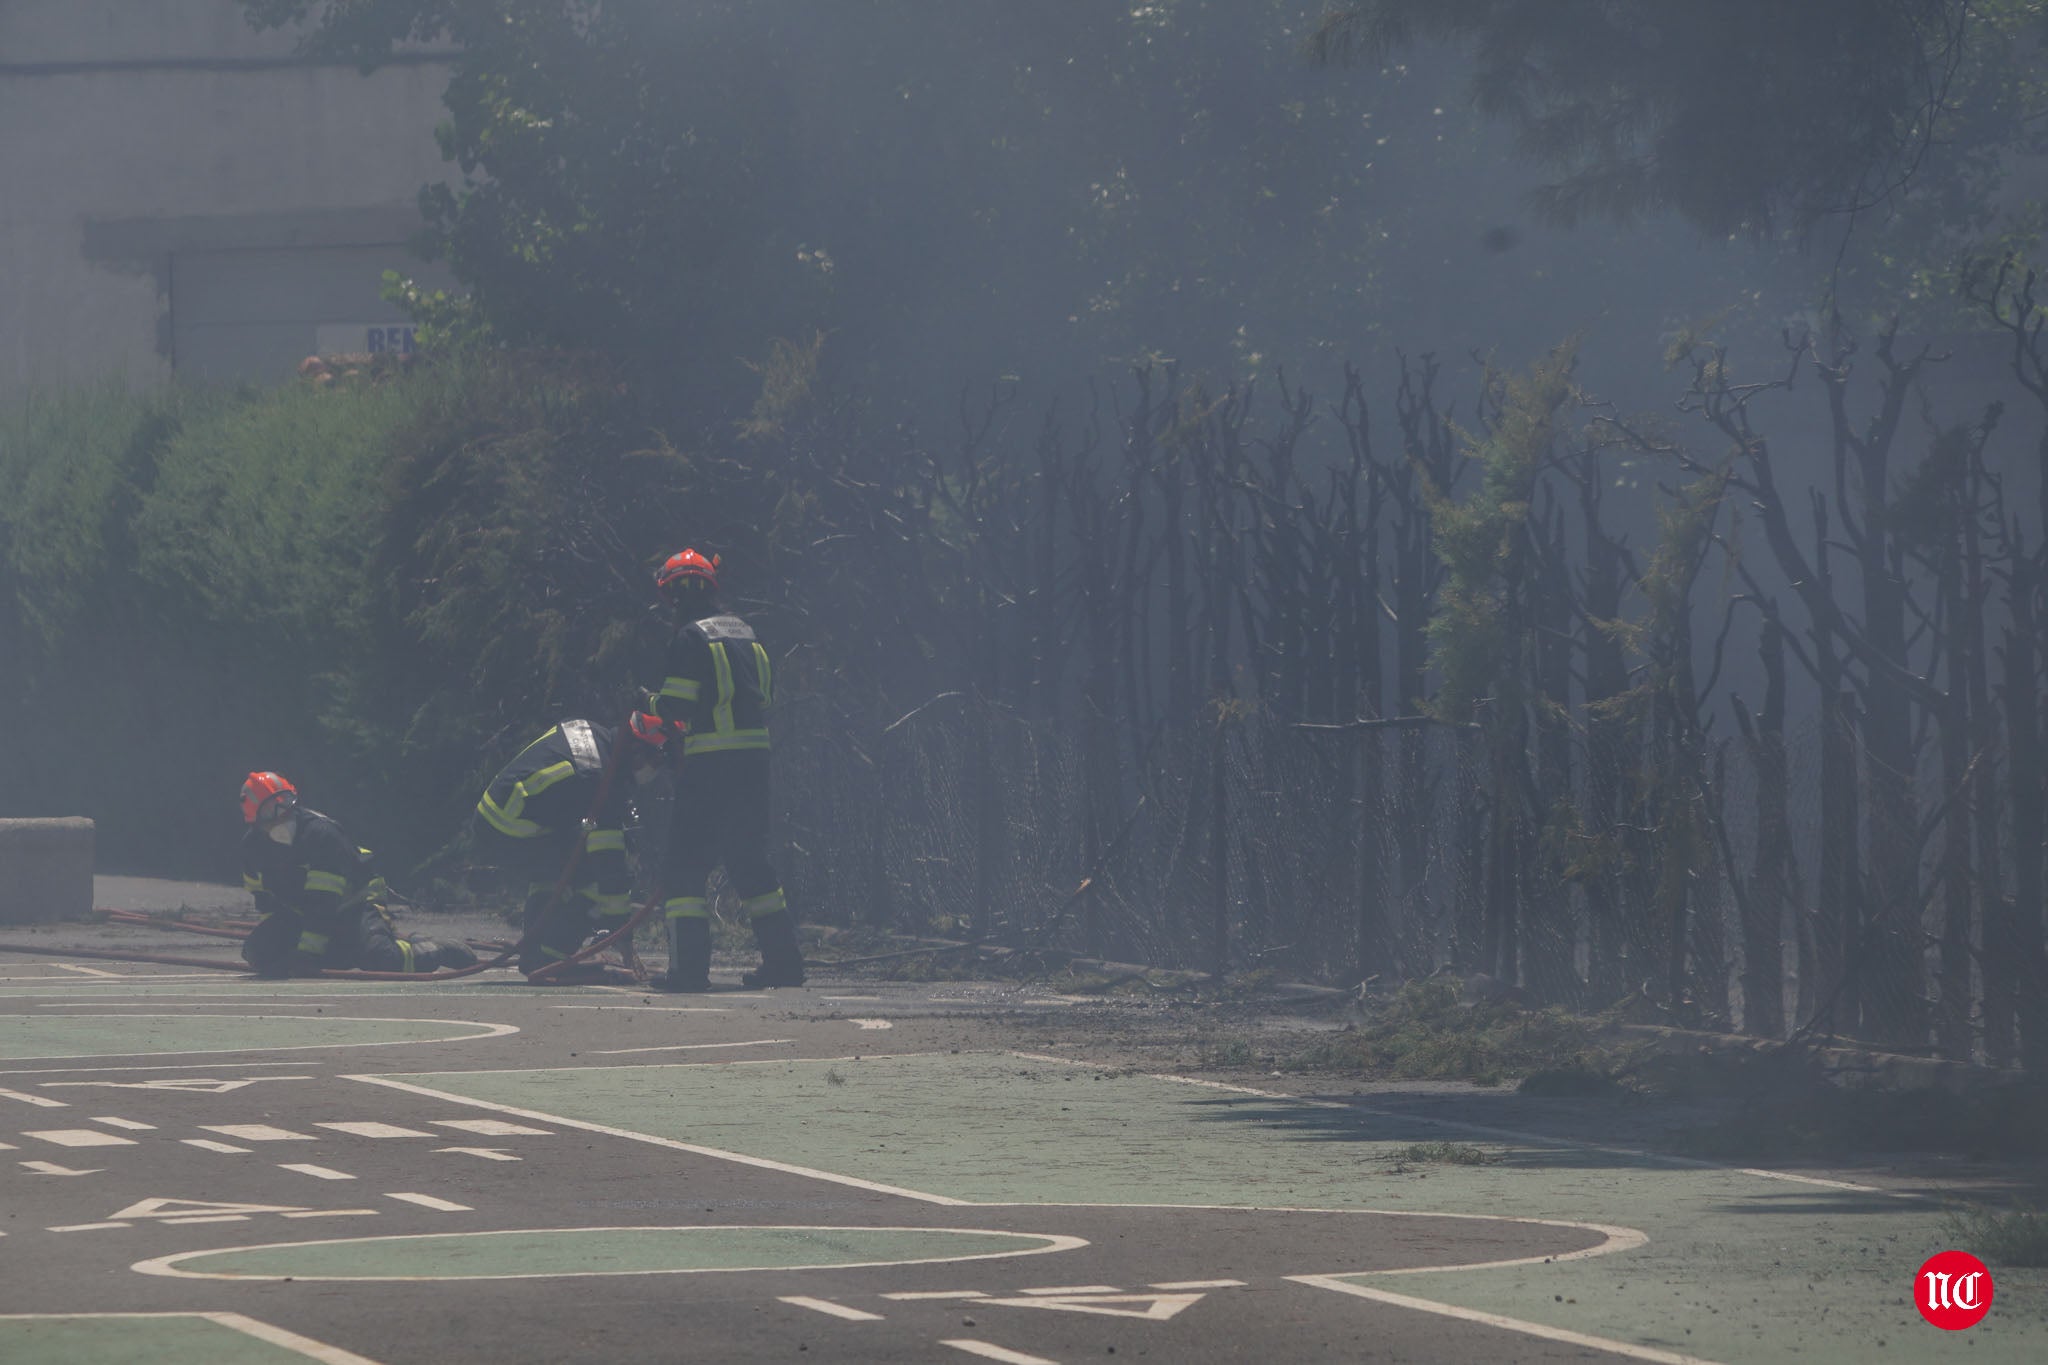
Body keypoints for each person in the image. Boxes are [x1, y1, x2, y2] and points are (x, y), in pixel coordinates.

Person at [645, 548, 803, 991]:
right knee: (751, 863)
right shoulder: (745, 633)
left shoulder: (689, 638)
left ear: (672, 596)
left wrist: (645, 702)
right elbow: (765, 697)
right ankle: (784, 963)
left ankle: (689, 971)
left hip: (710, 767)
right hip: (753, 764)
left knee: (685, 867)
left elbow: (676, 705)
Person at [473, 714, 673, 981]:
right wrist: (625, 942)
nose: (656, 769)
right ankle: (552, 960)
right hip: (513, 828)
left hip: (496, 820)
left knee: (553, 873)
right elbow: (609, 872)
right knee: (590, 880)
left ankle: (536, 955)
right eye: (656, 760)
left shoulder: (593, 736)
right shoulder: (599, 779)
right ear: (636, 751)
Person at [239, 772, 477, 978]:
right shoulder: (253, 850)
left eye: (286, 802)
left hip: (355, 904)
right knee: (259, 952)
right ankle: (343, 951)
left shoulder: (321, 835)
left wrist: (308, 952)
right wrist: (277, 937)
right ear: (256, 820)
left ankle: (435, 949)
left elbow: (323, 903)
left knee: (382, 960)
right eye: (273, 808)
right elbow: (266, 902)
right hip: (305, 915)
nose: (284, 813)